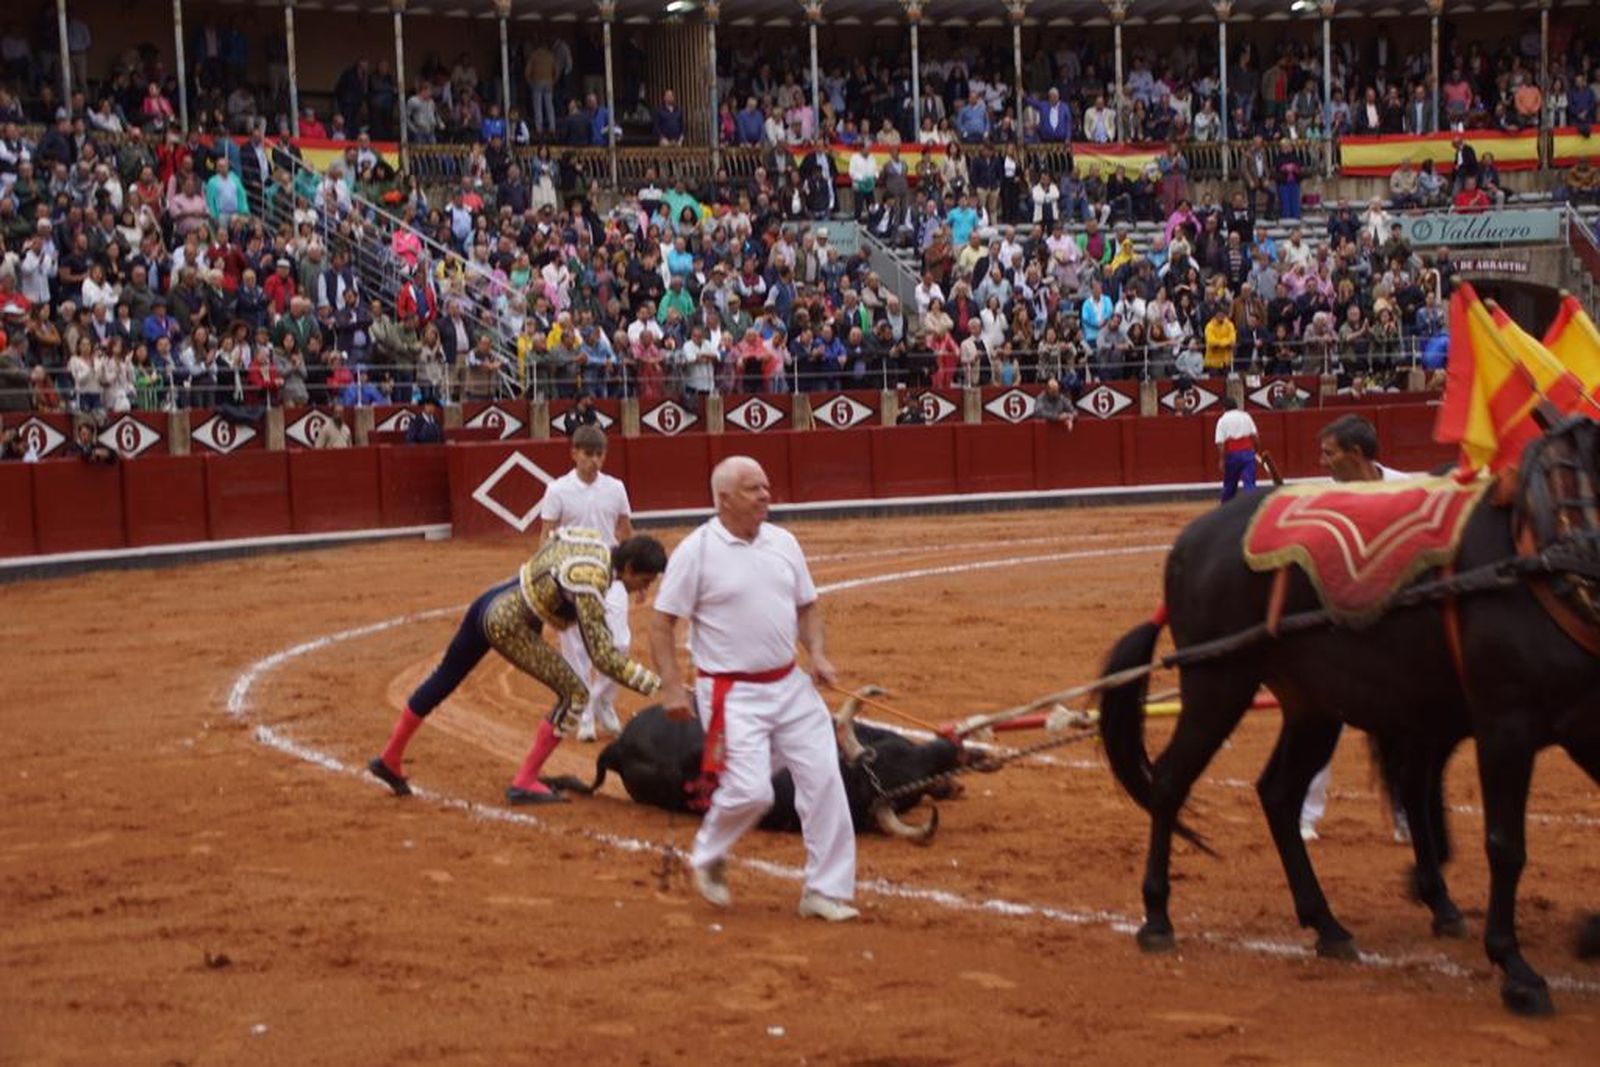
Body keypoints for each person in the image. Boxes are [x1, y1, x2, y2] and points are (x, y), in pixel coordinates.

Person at [650, 456, 858, 922]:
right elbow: (662, 623)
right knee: (752, 791)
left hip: (789, 685)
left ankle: (825, 890)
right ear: (723, 499)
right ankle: (708, 854)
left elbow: (807, 608)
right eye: (753, 489)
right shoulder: (697, 550)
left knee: (825, 780)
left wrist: (818, 654)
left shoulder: (784, 542)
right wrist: (670, 687)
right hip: (731, 693)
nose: (766, 495)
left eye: (766, 486)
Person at [370, 531, 666, 803]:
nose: (645, 587)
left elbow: (550, 545)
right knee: (575, 693)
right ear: (628, 568)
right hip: (508, 625)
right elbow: (602, 656)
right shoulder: (591, 580)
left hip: (488, 602)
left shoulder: (592, 543)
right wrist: (657, 684)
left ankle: (390, 758)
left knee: (444, 678)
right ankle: (524, 781)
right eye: (645, 580)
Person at [1299, 414, 1414, 843]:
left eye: (1329, 453)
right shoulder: (1320, 498)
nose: (1322, 460)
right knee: (1321, 721)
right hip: (1339, 626)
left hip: (1395, 629)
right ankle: (1305, 815)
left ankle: (1406, 816)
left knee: (1402, 730)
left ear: (1358, 454)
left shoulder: (1408, 489)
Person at [528, 426, 635, 742]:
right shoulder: (557, 489)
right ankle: (586, 711)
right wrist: (543, 577)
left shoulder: (615, 488)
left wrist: (632, 574)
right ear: (574, 452)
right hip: (569, 577)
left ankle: (602, 700)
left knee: (619, 643)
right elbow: (546, 535)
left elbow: (626, 531)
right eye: (588, 454)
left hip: (609, 572)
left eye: (600, 454)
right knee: (577, 650)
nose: (594, 461)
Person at [1214, 396, 1261, 502]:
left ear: (1224, 408)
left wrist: (1221, 459)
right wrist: (1257, 451)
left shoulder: (1223, 420)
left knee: (1230, 484)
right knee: (1249, 483)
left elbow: (1220, 442)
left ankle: (1225, 509)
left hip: (1233, 454)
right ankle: (1252, 506)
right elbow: (1255, 436)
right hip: (1248, 453)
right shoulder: (1246, 416)